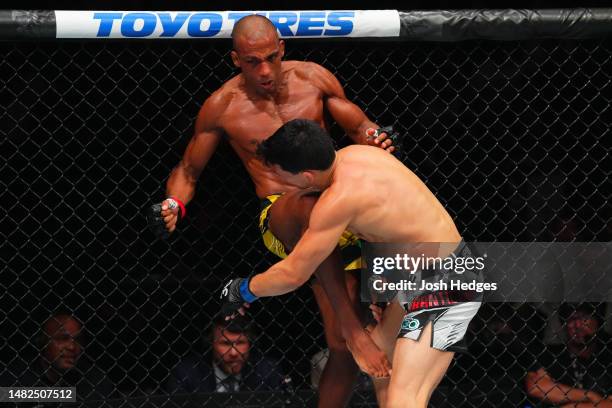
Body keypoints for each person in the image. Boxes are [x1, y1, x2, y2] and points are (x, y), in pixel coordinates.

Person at [148, 14, 396, 404]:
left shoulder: (314, 78)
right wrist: (173, 203)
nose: (264, 70)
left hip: (339, 208)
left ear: (282, 49)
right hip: (283, 214)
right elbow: (188, 171)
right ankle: (355, 327)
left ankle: (361, 328)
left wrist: (375, 136)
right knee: (313, 210)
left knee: (343, 352)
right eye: (251, 62)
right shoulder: (222, 105)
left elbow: (361, 125)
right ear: (235, 60)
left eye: (269, 58)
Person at [219, 119, 483, 407]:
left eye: (283, 177)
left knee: (405, 397)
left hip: (446, 280)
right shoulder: (362, 154)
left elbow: (293, 273)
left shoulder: (337, 200)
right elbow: (395, 225)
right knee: (381, 352)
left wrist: (243, 289)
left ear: (307, 177)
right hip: (422, 275)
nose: (285, 187)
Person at [2, 313, 113, 401]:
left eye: (78, 340)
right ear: (44, 343)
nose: (72, 346)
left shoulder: (95, 380)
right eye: (63, 339)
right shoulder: (16, 378)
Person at [166, 315, 284, 394]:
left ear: (250, 344)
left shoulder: (267, 370)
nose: (234, 353)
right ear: (211, 344)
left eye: (240, 343)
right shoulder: (187, 374)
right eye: (225, 343)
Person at [525, 304, 612, 407]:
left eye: (585, 318)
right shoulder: (551, 355)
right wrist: (590, 396)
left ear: (597, 322)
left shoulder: (607, 356)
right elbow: (536, 388)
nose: (578, 325)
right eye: (572, 319)